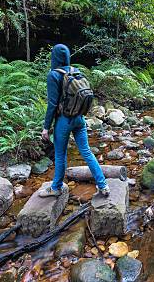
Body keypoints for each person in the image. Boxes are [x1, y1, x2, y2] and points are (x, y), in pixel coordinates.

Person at [39, 44, 110, 198]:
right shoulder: (76, 71)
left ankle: (56, 187)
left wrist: (46, 128)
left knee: (60, 155)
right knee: (87, 152)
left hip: (64, 120)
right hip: (79, 118)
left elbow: (52, 104)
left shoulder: (54, 75)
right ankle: (103, 185)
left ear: (54, 57)